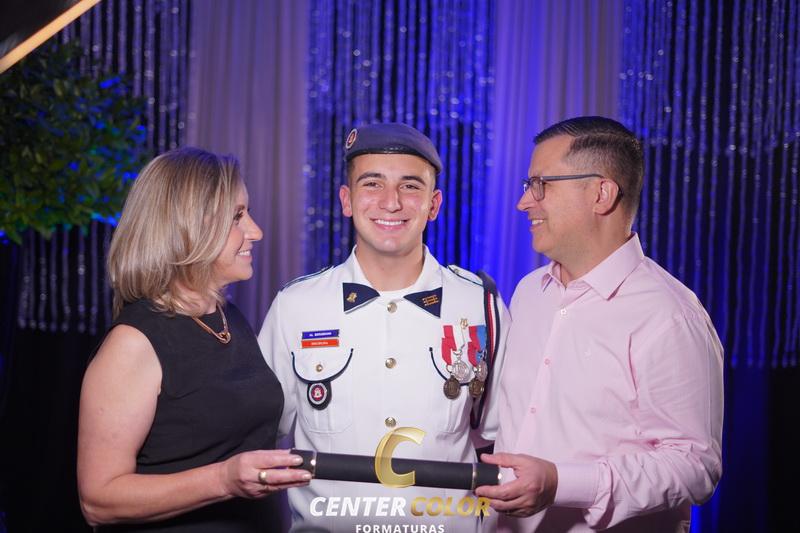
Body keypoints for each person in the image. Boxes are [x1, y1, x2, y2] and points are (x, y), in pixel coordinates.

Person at [475, 116, 724, 532]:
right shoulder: (529, 291)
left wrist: (562, 483)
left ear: (601, 193)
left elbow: (695, 466)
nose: (524, 202)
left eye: (540, 185)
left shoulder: (670, 314)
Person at [258, 123, 508, 531]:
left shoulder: (481, 306)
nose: (391, 203)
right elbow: (259, 439)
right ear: (347, 200)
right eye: (372, 184)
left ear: (434, 204)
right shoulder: (296, 306)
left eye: (410, 186)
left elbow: (502, 442)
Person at [77, 147, 311, 532]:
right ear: (188, 227)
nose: (255, 231)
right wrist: (223, 480)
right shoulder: (134, 342)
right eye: (237, 216)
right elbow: (99, 500)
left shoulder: (227, 318)